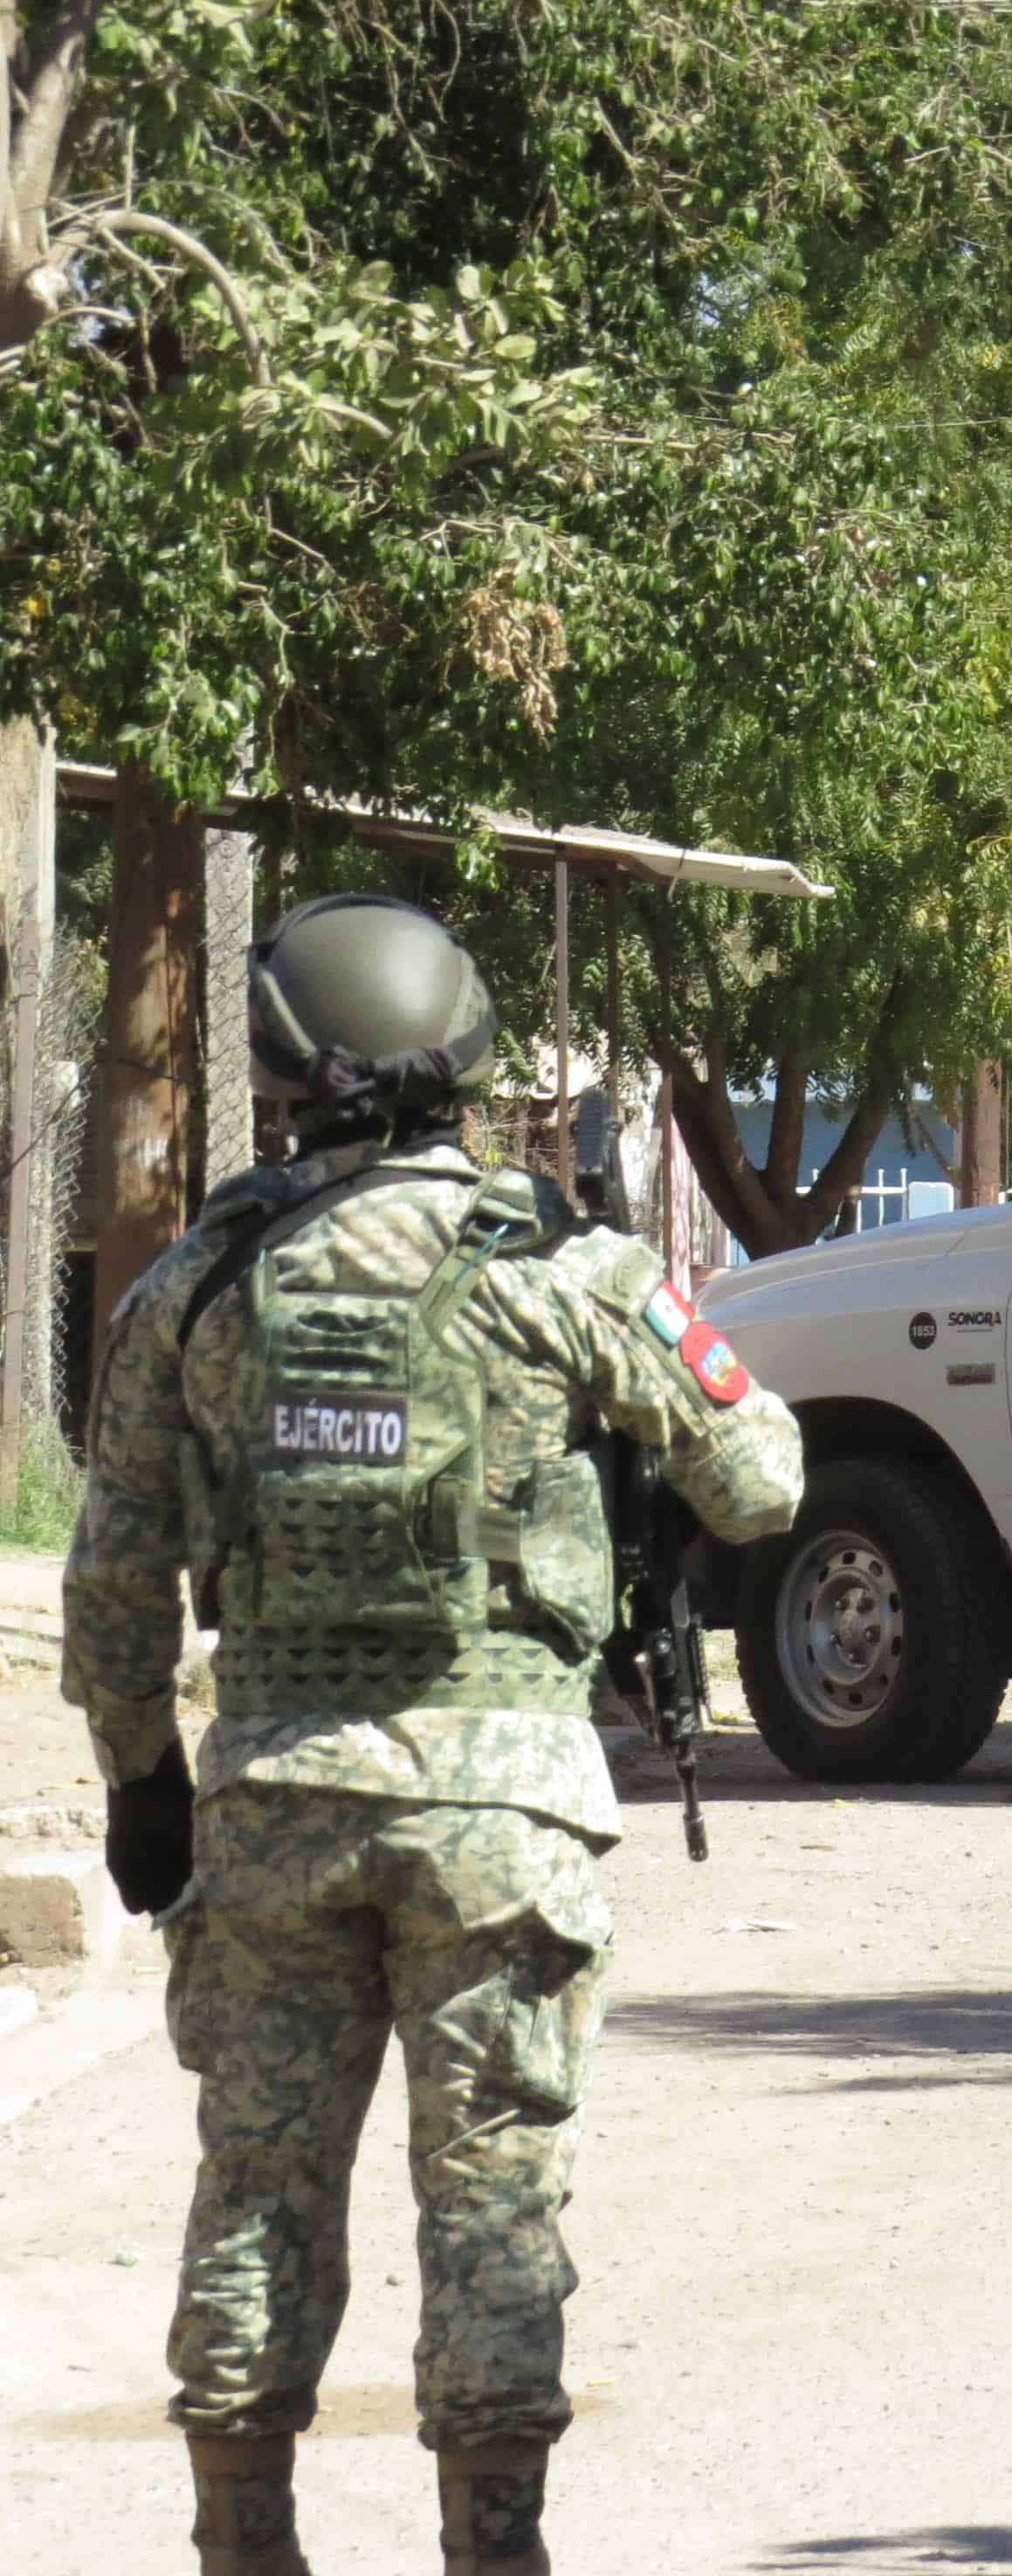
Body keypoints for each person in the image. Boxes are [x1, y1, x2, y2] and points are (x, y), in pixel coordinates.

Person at [66, 895, 803, 2575]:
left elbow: (116, 1583)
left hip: (271, 1812)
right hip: (504, 1820)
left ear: (280, 1074)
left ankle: (243, 2543)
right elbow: (762, 1480)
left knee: (256, 2188)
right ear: (465, 1055)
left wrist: (140, 1791)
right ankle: (497, 2549)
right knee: (491, 2202)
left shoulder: (196, 1286)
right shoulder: (560, 1266)